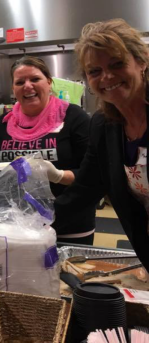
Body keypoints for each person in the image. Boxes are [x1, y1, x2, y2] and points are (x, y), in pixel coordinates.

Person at [0, 56, 95, 244]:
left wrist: (59, 175)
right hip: (17, 225)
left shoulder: (74, 118)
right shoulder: (2, 125)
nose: (27, 86)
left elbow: (91, 175)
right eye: (20, 82)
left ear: (49, 83)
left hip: (69, 224)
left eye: (35, 79)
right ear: (13, 89)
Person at [55, 19, 149, 270]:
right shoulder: (103, 125)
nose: (106, 77)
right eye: (94, 71)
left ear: (141, 62)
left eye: (117, 64)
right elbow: (86, 187)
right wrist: (36, 224)